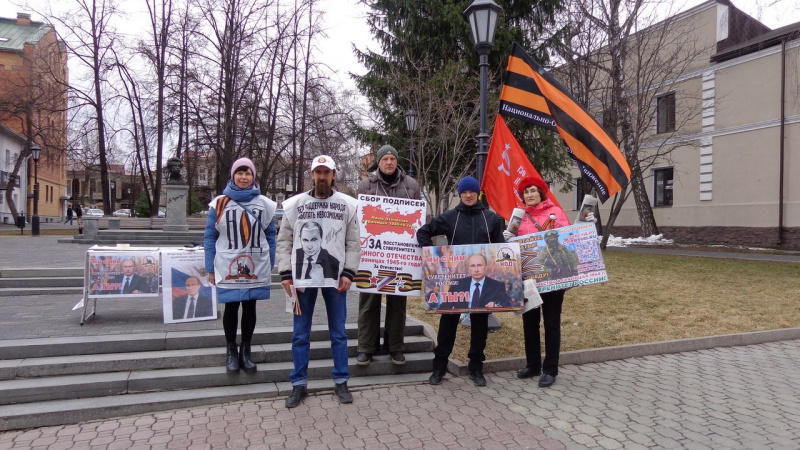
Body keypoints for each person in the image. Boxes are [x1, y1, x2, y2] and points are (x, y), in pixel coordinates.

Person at [277, 155, 361, 408]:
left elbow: (353, 242)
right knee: (300, 334)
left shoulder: (347, 205)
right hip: (301, 280)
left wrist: (348, 272)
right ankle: (299, 384)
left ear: (334, 174)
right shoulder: (294, 205)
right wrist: (284, 273)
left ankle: (341, 381)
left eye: (326, 172)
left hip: (335, 277)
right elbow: (284, 241)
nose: (322, 177)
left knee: (339, 332)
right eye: (318, 172)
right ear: (311, 175)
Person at [416, 176, 505, 387]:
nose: (467, 195)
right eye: (464, 192)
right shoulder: (450, 217)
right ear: (460, 194)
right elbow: (423, 232)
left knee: (479, 325)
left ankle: (476, 368)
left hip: (481, 279)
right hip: (455, 280)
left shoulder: (490, 218)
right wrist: (434, 256)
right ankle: (439, 367)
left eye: (471, 192)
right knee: (448, 324)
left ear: (477, 193)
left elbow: (500, 248)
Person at [503, 176, 580, 388]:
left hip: (553, 277)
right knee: (529, 322)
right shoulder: (518, 217)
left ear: (541, 193)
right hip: (527, 279)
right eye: (526, 192)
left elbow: (567, 239)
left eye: (533, 191)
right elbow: (512, 249)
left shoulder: (555, 213)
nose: (529, 195)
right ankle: (533, 365)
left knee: (551, 323)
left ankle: (550, 369)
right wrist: (508, 237)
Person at [204, 157, 277, 375]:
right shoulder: (219, 203)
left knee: (250, 307)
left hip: (255, 264)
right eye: (240, 173)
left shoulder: (265, 204)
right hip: (228, 265)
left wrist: (269, 261)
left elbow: (271, 234)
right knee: (232, 307)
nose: (244, 177)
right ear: (233, 176)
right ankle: (231, 351)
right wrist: (210, 267)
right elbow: (210, 236)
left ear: (253, 176)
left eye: (248, 173)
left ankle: (246, 350)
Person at [356, 144, 422, 366]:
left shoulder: (411, 186)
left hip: (400, 258)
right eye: (385, 159)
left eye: (393, 158)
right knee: (368, 302)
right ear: (379, 162)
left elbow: (417, 221)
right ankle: (366, 347)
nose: (389, 162)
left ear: (397, 162)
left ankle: (395, 347)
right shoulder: (365, 185)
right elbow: (358, 220)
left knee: (397, 303)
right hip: (372, 257)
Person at [445, 254, 512, 310]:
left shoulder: (497, 286)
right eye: (472, 266)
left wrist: (496, 306)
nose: (476, 270)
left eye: (479, 265)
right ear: (468, 268)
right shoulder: (457, 284)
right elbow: (444, 307)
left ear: (486, 267)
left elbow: (507, 306)